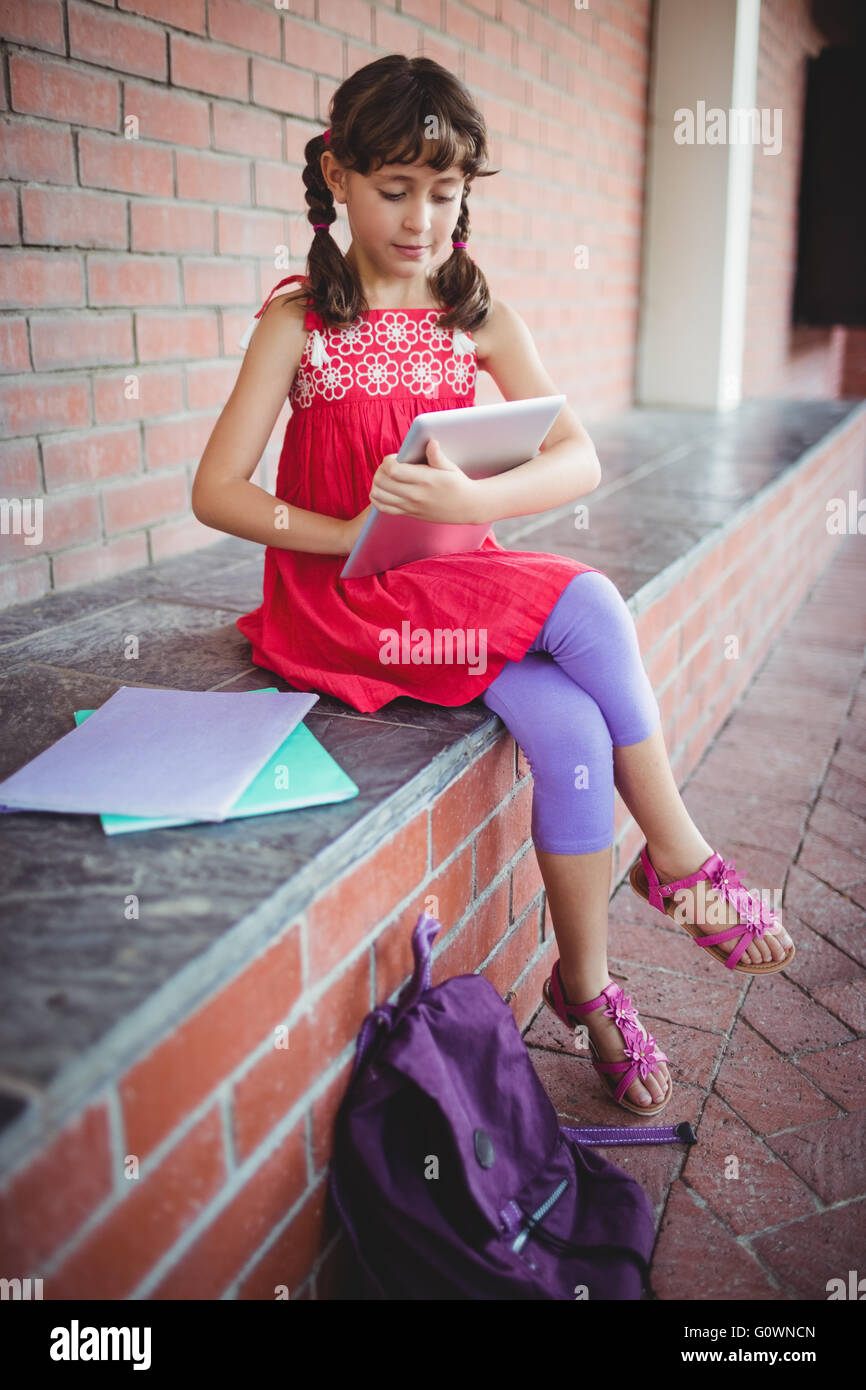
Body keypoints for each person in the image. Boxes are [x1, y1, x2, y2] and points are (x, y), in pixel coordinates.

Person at [192, 55, 795, 1117]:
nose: (421, 217)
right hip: (348, 601)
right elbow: (216, 490)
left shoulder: (473, 315)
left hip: (449, 579)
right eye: (394, 188)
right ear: (336, 174)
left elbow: (578, 459)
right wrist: (338, 532)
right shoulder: (301, 322)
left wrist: (468, 505)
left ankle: (585, 985)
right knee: (592, 602)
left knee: (568, 733)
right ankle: (679, 857)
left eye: (445, 190)